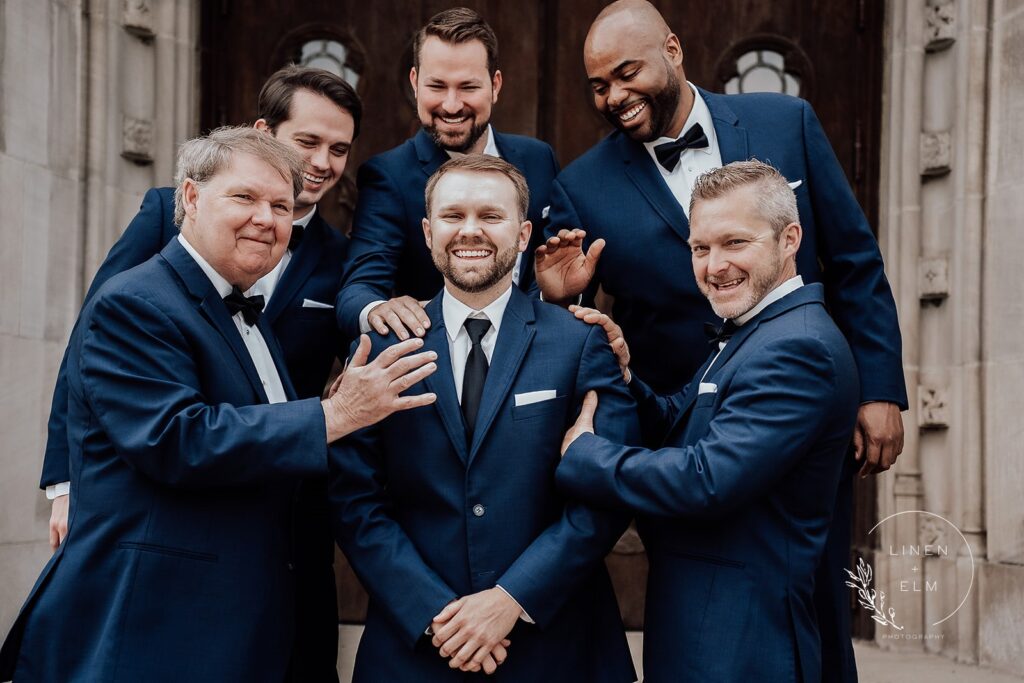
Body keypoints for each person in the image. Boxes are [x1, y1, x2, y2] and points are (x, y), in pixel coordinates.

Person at [535, 3, 906, 678]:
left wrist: (879, 386)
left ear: (672, 50)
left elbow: (854, 258)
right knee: (705, 606)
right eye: (598, 86)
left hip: (795, 412)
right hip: (677, 426)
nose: (613, 96)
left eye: (626, 73)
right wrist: (565, 304)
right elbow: (573, 328)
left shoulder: (784, 121)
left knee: (803, 590)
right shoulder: (581, 184)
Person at [0, 127, 437, 682]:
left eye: (282, 206)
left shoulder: (243, 310)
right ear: (189, 197)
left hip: (242, 627)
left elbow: (263, 446)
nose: (267, 218)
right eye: (245, 198)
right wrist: (335, 414)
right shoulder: (134, 303)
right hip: (155, 631)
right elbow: (179, 439)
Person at [39, 65, 359, 680]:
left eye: (338, 149)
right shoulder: (154, 258)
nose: (321, 161)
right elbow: (93, 349)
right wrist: (68, 477)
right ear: (191, 197)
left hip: (275, 547)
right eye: (246, 197)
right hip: (175, 565)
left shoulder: (328, 262)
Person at [330, 155, 638, 682]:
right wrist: (434, 613)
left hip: (555, 642)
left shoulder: (582, 341)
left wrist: (511, 599)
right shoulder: (382, 347)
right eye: (452, 216)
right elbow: (354, 498)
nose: (469, 230)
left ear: (522, 235)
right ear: (428, 233)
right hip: (418, 648)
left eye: (490, 216)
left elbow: (605, 496)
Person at [559, 161, 860, 682]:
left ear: (790, 239)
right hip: (708, 628)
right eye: (701, 248)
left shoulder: (798, 346)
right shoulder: (756, 327)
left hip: (742, 644)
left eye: (734, 243)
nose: (713, 266)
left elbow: (708, 480)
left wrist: (586, 454)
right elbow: (685, 417)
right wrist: (625, 375)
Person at [335, 7, 559, 342]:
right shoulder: (388, 175)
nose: (451, 105)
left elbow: (548, 270)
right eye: (437, 86)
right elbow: (358, 291)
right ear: (415, 83)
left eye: (468, 87)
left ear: (495, 85)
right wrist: (376, 309)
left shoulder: (538, 158)